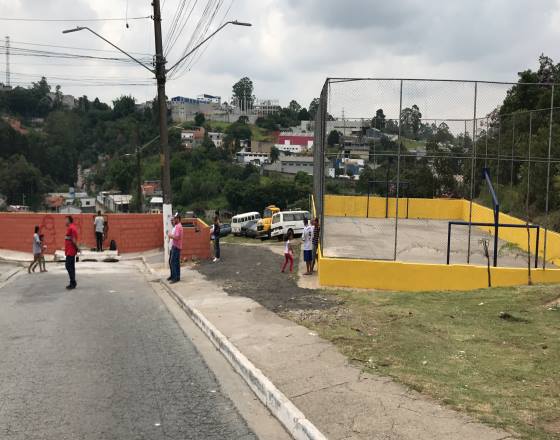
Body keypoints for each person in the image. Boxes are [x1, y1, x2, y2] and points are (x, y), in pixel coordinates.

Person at [167, 213, 183, 284]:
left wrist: (170, 235)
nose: (174, 220)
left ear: (178, 219)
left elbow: (177, 237)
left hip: (176, 246)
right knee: (175, 262)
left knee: (173, 262)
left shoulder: (178, 227)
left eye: (175, 218)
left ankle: (175, 277)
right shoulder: (177, 226)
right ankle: (176, 276)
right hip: (176, 246)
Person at [64, 216, 79, 289]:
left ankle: (73, 282)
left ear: (69, 221)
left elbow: (73, 240)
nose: (65, 221)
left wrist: (77, 248)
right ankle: (72, 283)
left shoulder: (71, 228)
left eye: (66, 220)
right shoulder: (72, 227)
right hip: (70, 250)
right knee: (71, 267)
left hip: (71, 250)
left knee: (68, 266)